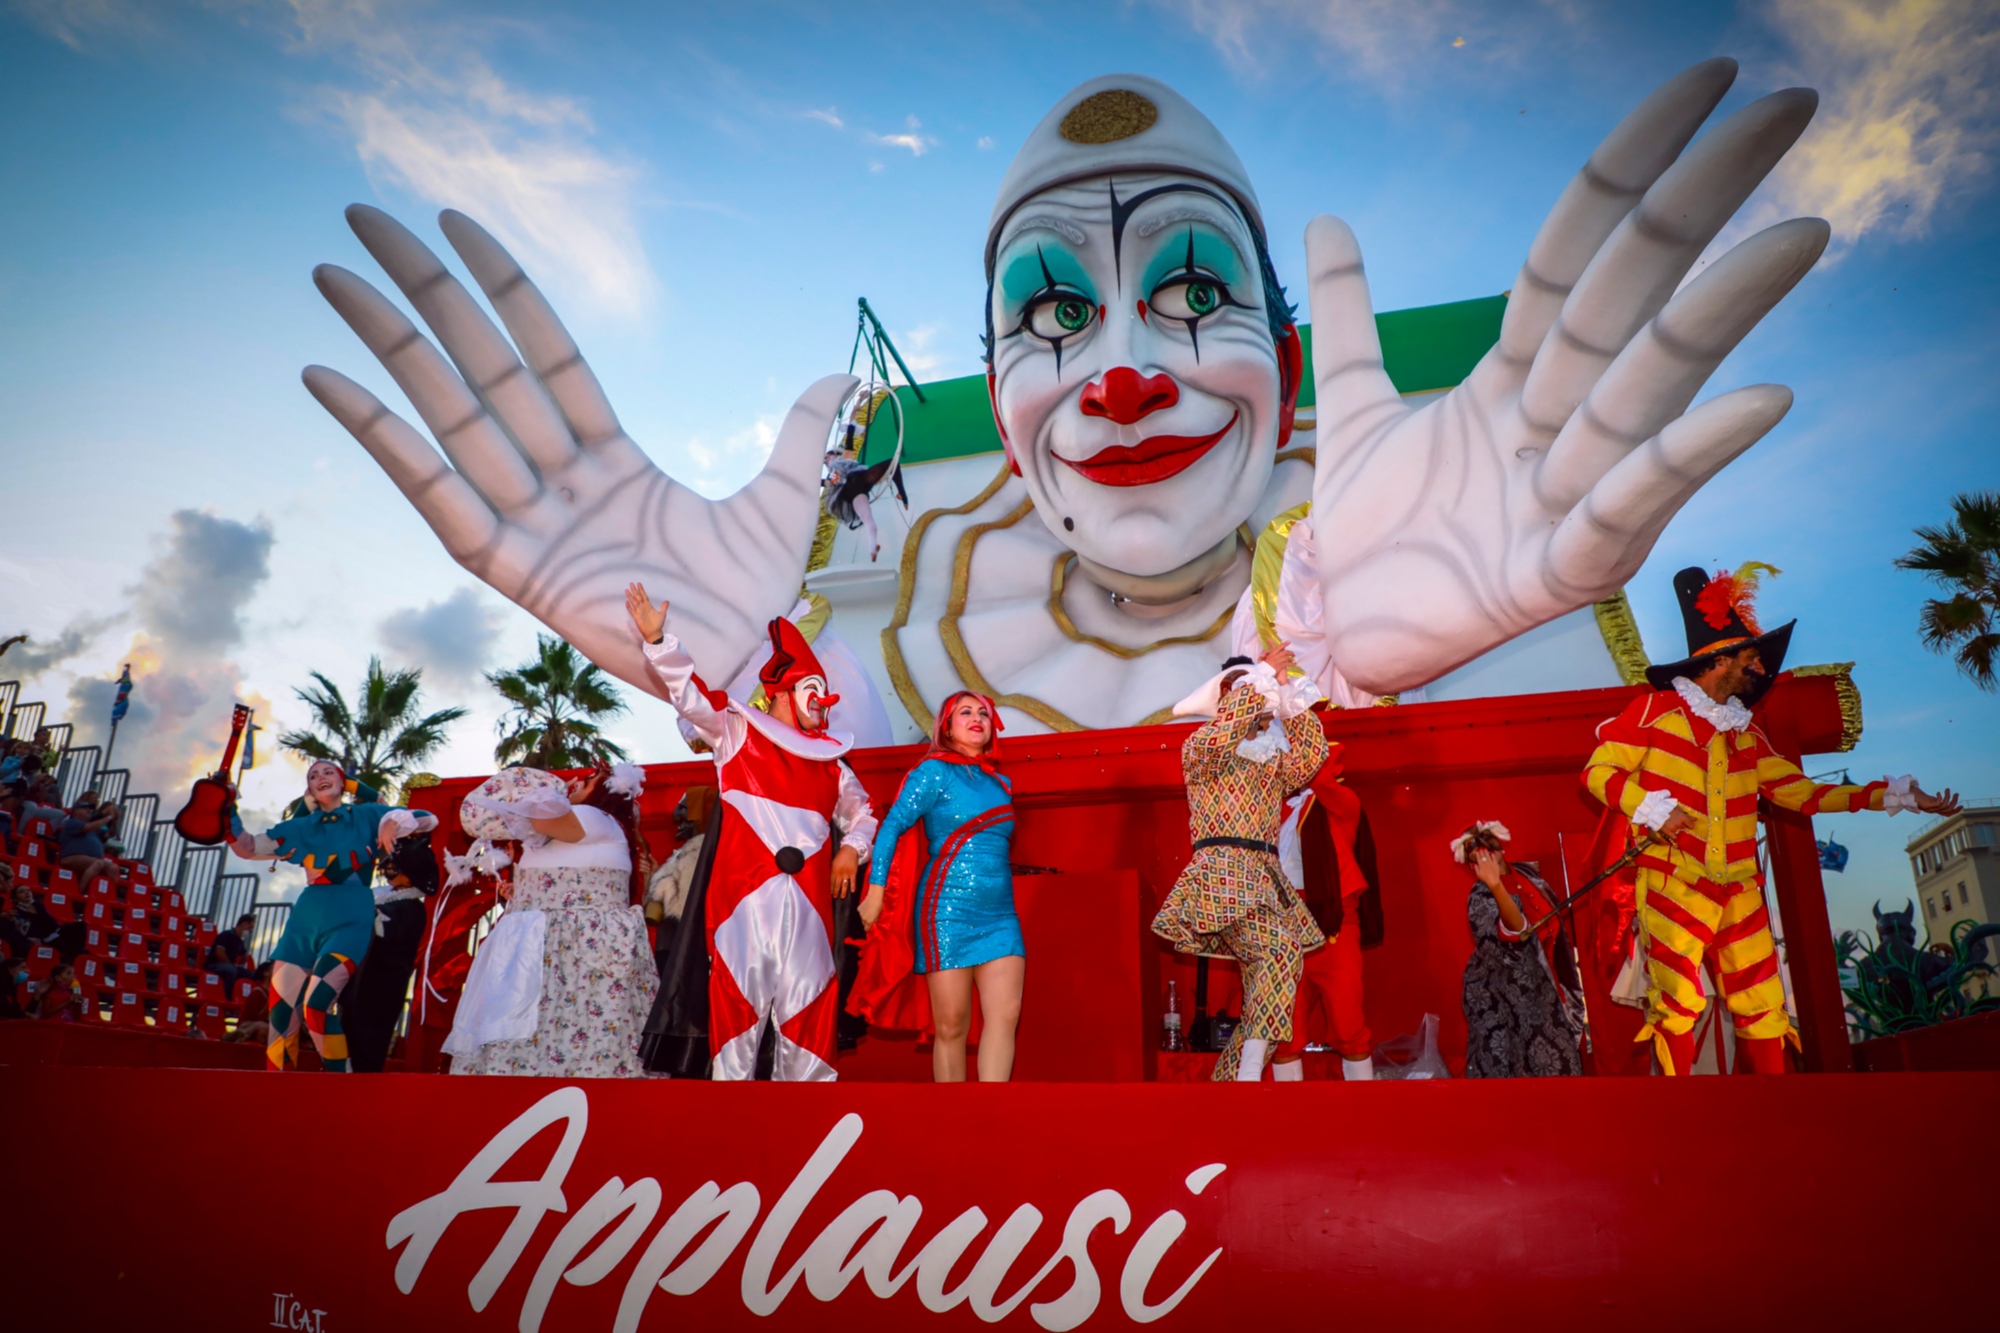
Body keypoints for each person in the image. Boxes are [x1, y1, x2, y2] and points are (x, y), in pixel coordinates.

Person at [1584, 564, 1962, 1075]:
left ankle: (1775, 1115)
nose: (1757, 666)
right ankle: (1680, 1122)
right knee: (1675, 1006)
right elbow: (1597, 771)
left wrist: (1894, 796)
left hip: (1740, 891)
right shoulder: (1653, 713)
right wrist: (1651, 808)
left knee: (1764, 1009)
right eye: (1748, 656)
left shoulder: (1748, 738)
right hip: (1675, 881)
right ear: (1718, 661)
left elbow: (1804, 796)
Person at [630, 582, 878, 1081]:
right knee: (737, 1017)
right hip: (743, 907)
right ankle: (731, 1125)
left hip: (808, 912)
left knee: (809, 1012)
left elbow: (862, 812)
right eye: (813, 692)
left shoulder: (831, 762)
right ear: (783, 694)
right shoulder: (738, 732)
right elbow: (693, 700)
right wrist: (660, 644)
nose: (822, 704)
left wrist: (851, 850)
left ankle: (805, 1128)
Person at [1152, 644, 1326, 1082]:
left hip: (1264, 879)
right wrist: (1259, 677)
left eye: (1257, 694)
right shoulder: (1201, 749)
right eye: (1245, 692)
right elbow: (1222, 732)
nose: (1255, 700)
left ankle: (1230, 1082)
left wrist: (1285, 691)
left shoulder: (1272, 764)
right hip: (1220, 874)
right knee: (1281, 951)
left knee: (1271, 974)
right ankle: (1246, 1075)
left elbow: (1312, 754)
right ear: (1223, 699)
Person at [444, 765, 658, 1078]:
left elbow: (537, 817)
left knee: (570, 1025)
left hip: (572, 949)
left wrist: (543, 791)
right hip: (539, 945)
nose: (576, 782)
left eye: (588, 782)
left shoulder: (594, 817)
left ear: (604, 793)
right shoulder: (556, 828)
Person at [853, 691, 1023, 1082]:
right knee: (951, 1025)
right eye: (965, 712)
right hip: (945, 911)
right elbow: (893, 825)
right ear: (946, 726)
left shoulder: (1001, 782)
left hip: (1001, 915)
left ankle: (991, 1113)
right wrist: (875, 891)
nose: (977, 718)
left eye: (983, 712)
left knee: (1006, 1015)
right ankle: (955, 1119)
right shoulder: (932, 772)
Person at [227, 760, 437, 1071]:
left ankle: (340, 1081)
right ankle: (275, 1087)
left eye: (329, 773)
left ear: (343, 783)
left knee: (317, 1005)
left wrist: (395, 820)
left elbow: (428, 819)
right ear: (309, 789)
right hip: (306, 917)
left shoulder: (367, 815)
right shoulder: (299, 827)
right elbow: (246, 846)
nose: (321, 777)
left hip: (350, 914)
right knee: (281, 1013)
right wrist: (227, 807)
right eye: (313, 775)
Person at [1454, 822, 1584, 1079]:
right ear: (1471, 863)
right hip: (1508, 1003)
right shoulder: (1481, 895)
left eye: (1488, 843)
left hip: (1547, 991)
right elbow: (1516, 932)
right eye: (1476, 850)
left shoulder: (1528, 876)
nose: (1484, 852)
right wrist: (1495, 886)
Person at [341, 829, 439, 1073]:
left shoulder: (412, 908)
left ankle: (360, 1081)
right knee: (346, 1029)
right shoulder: (382, 898)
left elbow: (388, 933)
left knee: (367, 1039)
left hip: (382, 987)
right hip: (358, 980)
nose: (390, 870)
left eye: (397, 866)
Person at [58, 798, 120, 889]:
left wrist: (114, 819)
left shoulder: (94, 829)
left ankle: (108, 896)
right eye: (84, 808)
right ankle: (81, 892)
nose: (89, 810)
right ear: (75, 811)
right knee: (98, 863)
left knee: (113, 868)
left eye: (90, 809)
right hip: (71, 857)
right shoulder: (71, 822)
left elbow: (110, 834)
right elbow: (88, 827)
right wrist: (108, 817)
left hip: (92, 860)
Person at [204, 914, 258, 987]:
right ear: (245, 924)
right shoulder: (226, 934)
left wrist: (241, 963)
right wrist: (230, 965)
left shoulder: (239, 940)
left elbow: (245, 955)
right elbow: (219, 952)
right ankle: (227, 996)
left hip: (230, 966)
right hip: (214, 965)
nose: (251, 931)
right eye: (251, 927)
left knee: (252, 975)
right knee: (231, 971)